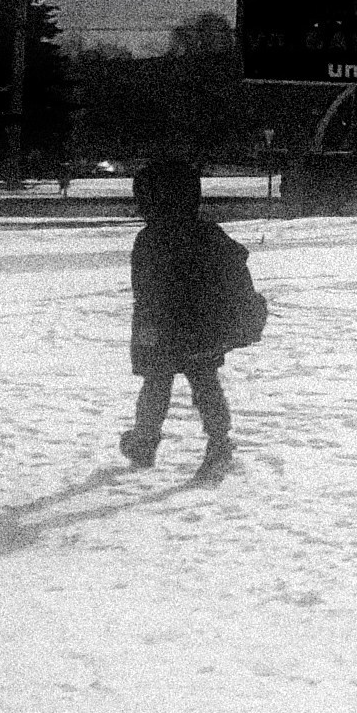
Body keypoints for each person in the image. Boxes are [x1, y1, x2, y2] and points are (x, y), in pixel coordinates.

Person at [122, 158, 260, 480]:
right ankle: (219, 444)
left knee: (156, 385)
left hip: (162, 330)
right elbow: (235, 264)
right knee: (205, 383)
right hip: (204, 329)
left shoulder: (149, 240)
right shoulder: (208, 233)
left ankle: (144, 441)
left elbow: (143, 294)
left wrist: (144, 336)